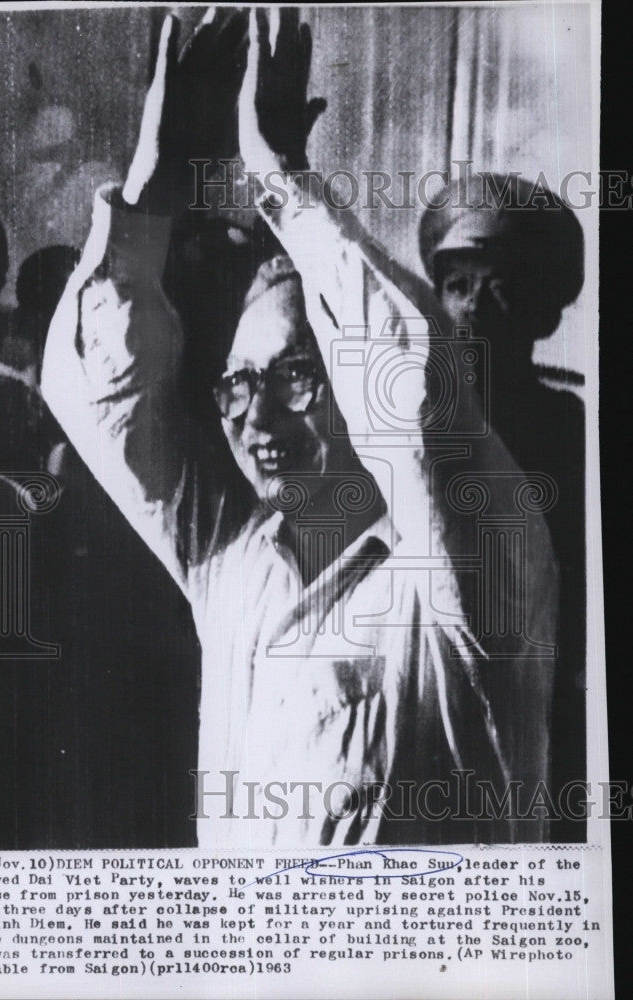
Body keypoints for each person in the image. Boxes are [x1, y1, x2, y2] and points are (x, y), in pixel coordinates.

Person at [42, 9, 559, 847]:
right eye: (237, 385)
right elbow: (99, 398)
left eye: (293, 376)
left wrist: (280, 177)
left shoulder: (467, 569)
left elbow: (415, 396)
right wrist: (148, 202)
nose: (255, 415)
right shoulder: (235, 563)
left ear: (354, 383)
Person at [419, 174, 586, 841]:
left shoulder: (568, 434)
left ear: (545, 314)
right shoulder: (405, 424)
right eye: (457, 286)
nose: (472, 311)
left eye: (502, 289)